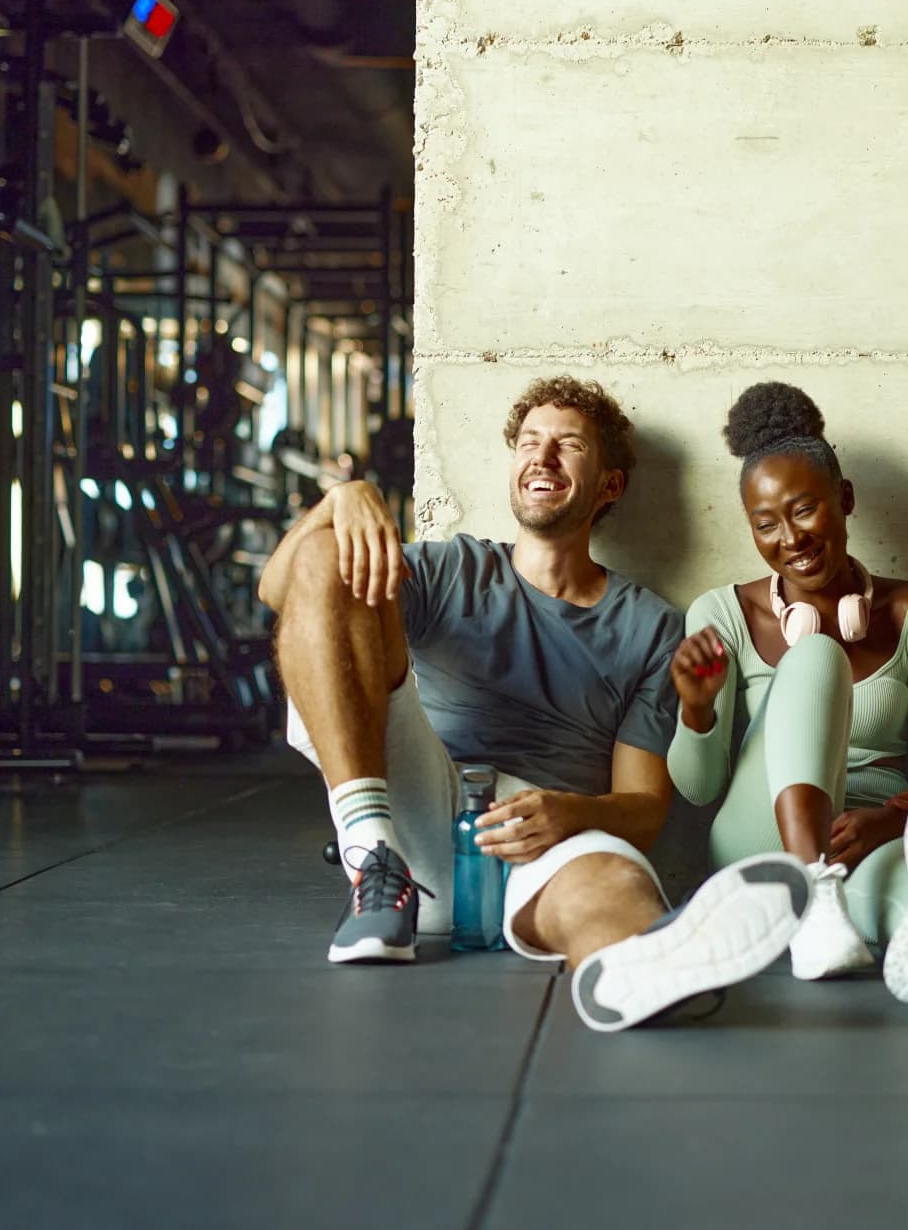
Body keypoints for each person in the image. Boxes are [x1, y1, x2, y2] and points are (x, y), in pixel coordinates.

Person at [259, 375, 808, 1032]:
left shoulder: (653, 628)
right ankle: (369, 854)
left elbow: (642, 811)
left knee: (613, 886)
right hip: (421, 818)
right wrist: (341, 499)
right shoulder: (448, 571)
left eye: (567, 445)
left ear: (609, 486)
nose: (540, 459)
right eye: (529, 442)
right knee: (327, 554)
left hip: (547, 842)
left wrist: (568, 812)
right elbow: (281, 592)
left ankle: (641, 967)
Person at [666, 383, 908, 1005]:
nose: (791, 538)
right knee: (817, 654)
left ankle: (892, 935)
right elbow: (700, 789)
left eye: (805, 510)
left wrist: (888, 823)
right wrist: (696, 707)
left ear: (844, 500)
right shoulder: (721, 614)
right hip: (759, 834)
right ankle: (813, 895)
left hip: (868, 833)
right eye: (766, 524)